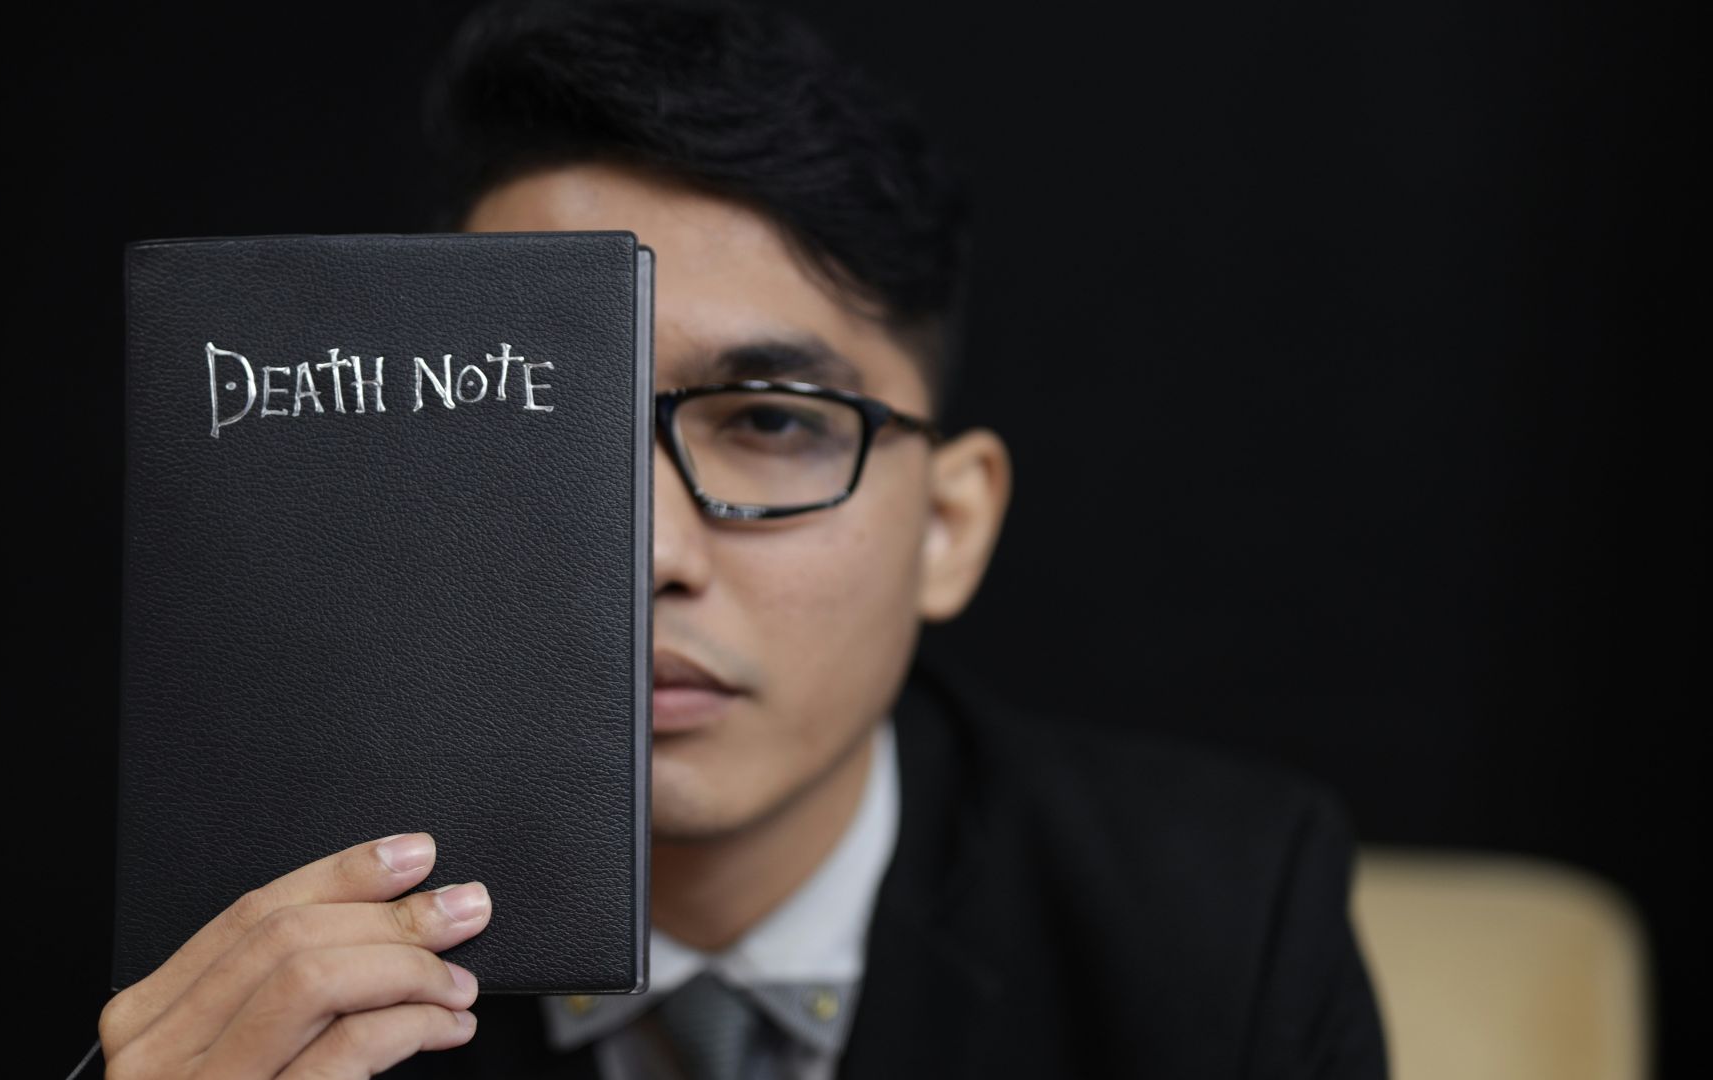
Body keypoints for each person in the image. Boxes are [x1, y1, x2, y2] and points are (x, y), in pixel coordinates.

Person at [91, 0, 1388, 1076]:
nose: (650, 552)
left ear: (950, 524)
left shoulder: (1214, 930)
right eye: (546, 421)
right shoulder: (254, 928)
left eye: (770, 421)